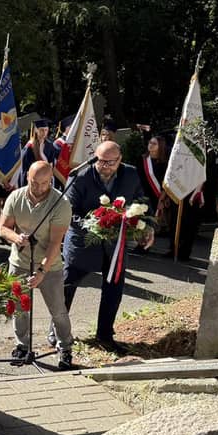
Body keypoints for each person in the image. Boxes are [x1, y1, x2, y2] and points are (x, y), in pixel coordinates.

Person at [62, 140, 152, 353]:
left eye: (111, 162)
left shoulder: (130, 174)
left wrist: (146, 226)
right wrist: (94, 225)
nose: (106, 166)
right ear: (95, 158)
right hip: (83, 243)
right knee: (67, 286)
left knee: (114, 290)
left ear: (120, 160)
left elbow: (141, 201)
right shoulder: (80, 176)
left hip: (115, 245)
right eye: (101, 161)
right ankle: (58, 332)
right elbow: (69, 211)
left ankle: (104, 335)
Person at [0, 161, 74, 369]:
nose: (39, 188)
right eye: (34, 182)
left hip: (50, 265)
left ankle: (65, 347)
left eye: (44, 183)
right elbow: (3, 228)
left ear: (51, 180)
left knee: (58, 310)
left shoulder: (61, 203)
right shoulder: (16, 196)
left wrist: (42, 271)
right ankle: (22, 345)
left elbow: (55, 243)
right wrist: (16, 238)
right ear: (27, 177)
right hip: (20, 262)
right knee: (19, 307)